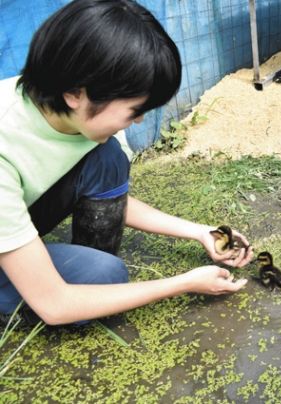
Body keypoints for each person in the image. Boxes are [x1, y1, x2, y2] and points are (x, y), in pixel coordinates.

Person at [0, 0, 252, 326]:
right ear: (76, 92)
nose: (139, 119)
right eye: (135, 109)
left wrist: (201, 232)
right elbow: (55, 304)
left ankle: (75, 291)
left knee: (106, 163)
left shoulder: (83, 120)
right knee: (97, 282)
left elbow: (112, 201)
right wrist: (183, 283)